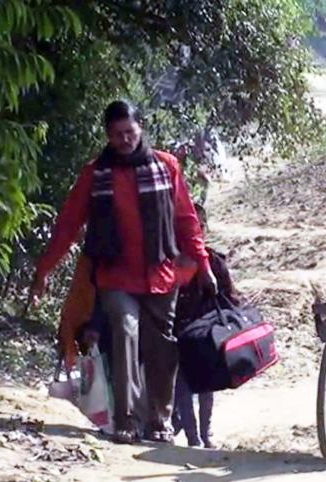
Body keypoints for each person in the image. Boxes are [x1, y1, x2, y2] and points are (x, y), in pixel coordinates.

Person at [31, 100, 216, 445]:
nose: (124, 140)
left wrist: (203, 264)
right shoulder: (95, 174)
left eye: (129, 132)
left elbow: (186, 220)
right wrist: (44, 270)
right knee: (125, 332)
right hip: (115, 277)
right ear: (107, 136)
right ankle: (125, 421)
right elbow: (68, 225)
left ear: (140, 128)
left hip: (161, 276)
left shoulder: (167, 166)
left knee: (162, 348)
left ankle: (159, 422)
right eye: (116, 135)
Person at [172, 203, 242, 449]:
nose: (195, 232)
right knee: (182, 383)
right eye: (188, 227)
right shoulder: (169, 261)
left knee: (206, 383)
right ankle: (192, 435)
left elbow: (230, 298)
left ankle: (206, 433)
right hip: (177, 334)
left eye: (199, 226)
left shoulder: (215, 262)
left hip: (206, 334)